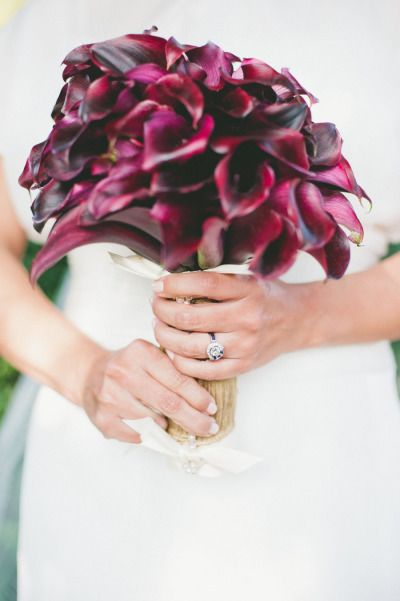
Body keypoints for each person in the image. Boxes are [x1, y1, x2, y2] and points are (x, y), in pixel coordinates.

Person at [1, 0, 400, 599]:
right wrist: (84, 371)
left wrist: (301, 315)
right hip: (102, 452)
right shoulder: (51, 19)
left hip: (322, 455)